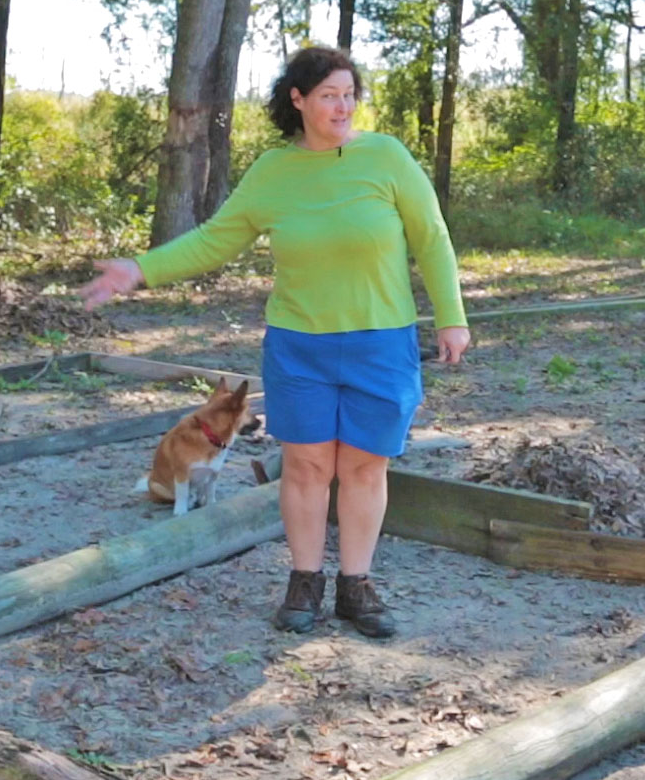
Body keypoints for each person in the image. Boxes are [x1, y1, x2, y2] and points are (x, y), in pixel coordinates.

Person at [80, 46, 470, 639]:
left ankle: (357, 586)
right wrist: (140, 268)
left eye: (349, 94)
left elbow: (432, 238)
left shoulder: (386, 157)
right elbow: (215, 240)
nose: (342, 106)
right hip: (300, 346)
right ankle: (304, 580)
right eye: (328, 96)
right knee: (308, 465)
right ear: (298, 100)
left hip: (380, 341)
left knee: (364, 467)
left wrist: (451, 317)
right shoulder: (273, 171)